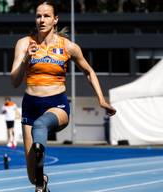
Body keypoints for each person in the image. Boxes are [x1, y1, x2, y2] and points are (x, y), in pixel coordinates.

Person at [10, 1, 116, 191]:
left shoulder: (68, 47)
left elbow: (89, 71)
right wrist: (26, 58)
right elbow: (15, 80)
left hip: (56, 104)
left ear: (55, 20)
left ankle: (40, 158)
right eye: (38, 16)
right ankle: (41, 182)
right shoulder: (24, 43)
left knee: (40, 125)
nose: (41, 20)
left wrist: (101, 99)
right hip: (30, 105)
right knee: (32, 176)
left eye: (46, 16)